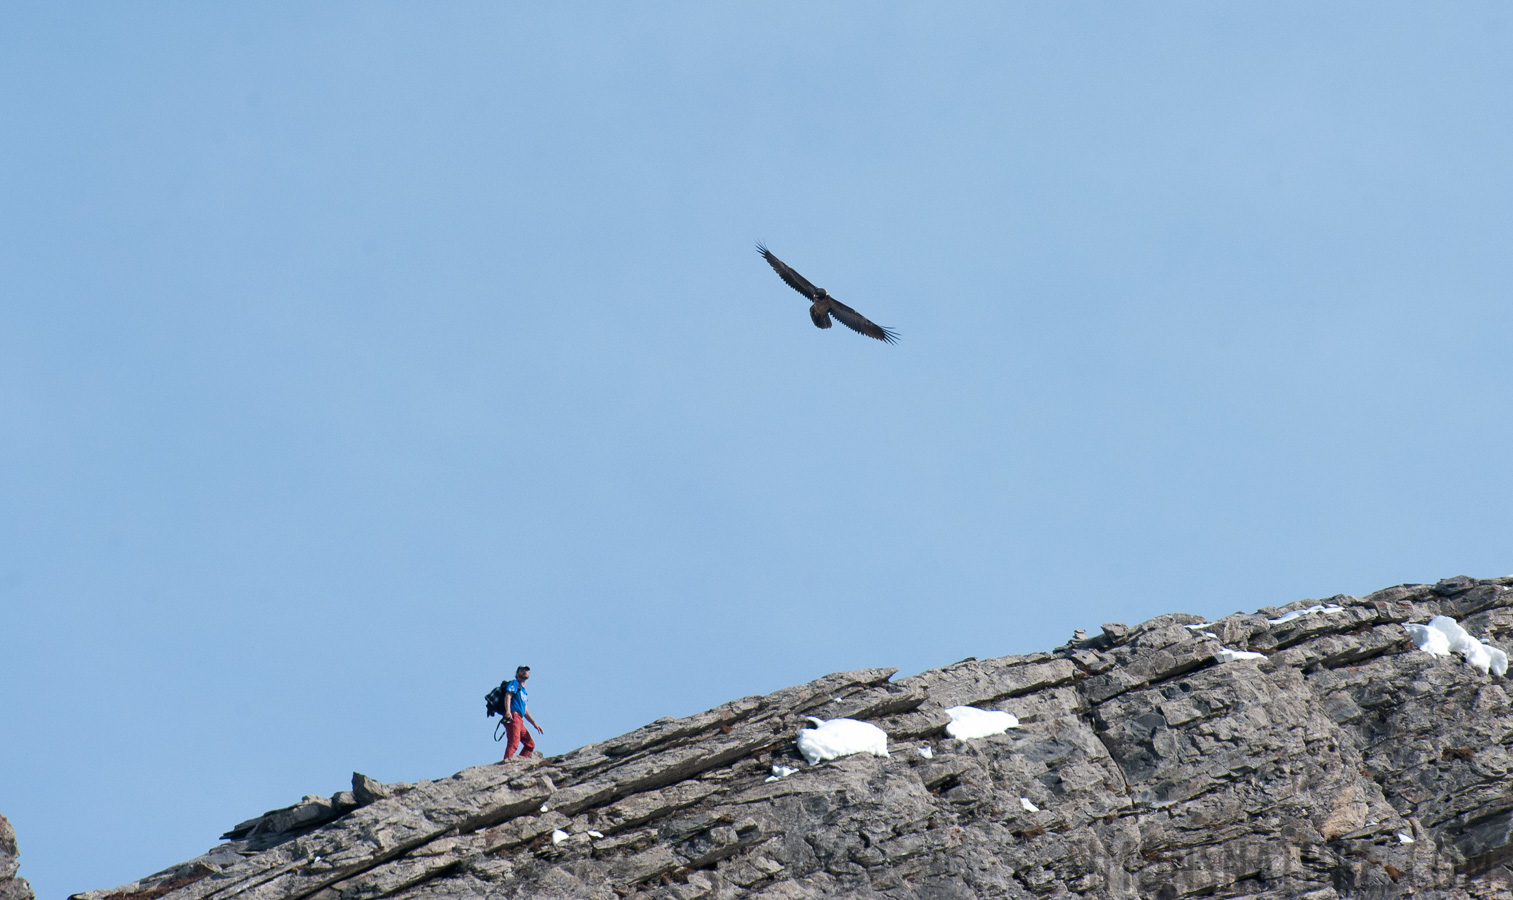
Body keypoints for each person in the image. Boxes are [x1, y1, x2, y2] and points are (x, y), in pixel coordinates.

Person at [501, 665, 544, 761]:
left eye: (527, 670)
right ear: (517, 673)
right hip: (513, 716)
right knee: (514, 743)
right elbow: (508, 696)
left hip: (520, 719)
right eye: (522, 670)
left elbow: (525, 710)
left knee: (530, 744)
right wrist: (508, 711)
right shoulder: (515, 683)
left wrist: (534, 724)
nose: (525, 671)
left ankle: (519, 762)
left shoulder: (524, 692)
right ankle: (506, 763)